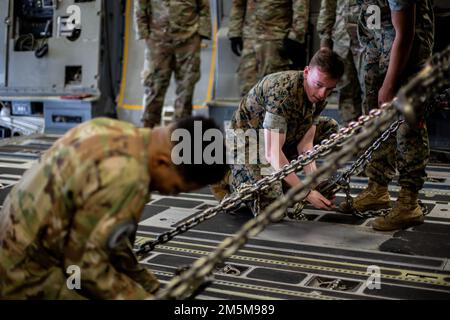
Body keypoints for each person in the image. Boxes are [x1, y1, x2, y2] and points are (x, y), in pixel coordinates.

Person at [0, 116, 228, 299]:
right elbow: (87, 268)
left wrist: (152, 287)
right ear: (162, 162)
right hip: (25, 277)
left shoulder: (111, 129)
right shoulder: (127, 177)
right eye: (176, 188)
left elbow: (110, 243)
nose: (171, 193)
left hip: (17, 248)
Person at [212, 49, 345, 218]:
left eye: (329, 89)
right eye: (318, 85)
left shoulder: (318, 95)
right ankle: (229, 177)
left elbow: (305, 145)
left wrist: (314, 183)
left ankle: (279, 180)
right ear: (306, 72)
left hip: (275, 139)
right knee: (274, 211)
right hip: (248, 144)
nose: (322, 94)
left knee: (330, 127)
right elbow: (272, 153)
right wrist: (305, 193)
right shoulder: (282, 92)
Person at [340, 0, 434, 231]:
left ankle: (408, 202)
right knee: (374, 120)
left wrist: (390, 84)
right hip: (376, 52)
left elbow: (406, 32)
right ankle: (377, 188)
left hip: (406, 57)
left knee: (406, 128)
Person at [134, 0, 212, 128]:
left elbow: (203, 6)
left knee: (186, 87)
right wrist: (143, 33)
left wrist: (202, 34)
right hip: (158, 39)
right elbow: (140, 4)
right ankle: (147, 132)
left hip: (188, 39)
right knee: (154, 86)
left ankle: (181, 134)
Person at [228, 0, 310, 97]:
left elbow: (300, 6)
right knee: (248, 89)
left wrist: (296, 36)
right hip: (250, 40)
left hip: (276, 40)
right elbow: (238, 4)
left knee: (275, 92)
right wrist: (235, 33)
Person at [317, 0, 363, 124]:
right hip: (342, 41)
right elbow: (328, 6)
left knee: (372, 93)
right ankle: (350, 135)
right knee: (345, 92)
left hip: (370, 42)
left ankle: (374, 137)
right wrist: (325, 41)